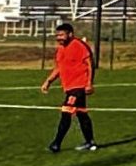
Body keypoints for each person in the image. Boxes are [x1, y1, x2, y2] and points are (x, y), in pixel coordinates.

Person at [40, 21, 97, 152]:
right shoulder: (60, 49)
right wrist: (48, 81)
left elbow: (90, 64)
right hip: (69, 87)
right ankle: (90, 142)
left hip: (78, 86)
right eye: (57, 35)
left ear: (70, 34)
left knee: (66, 113)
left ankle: (56, 144)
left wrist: (89, 83)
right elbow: (59, 67)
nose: (59, 38)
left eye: (61, 35)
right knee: (81, 114)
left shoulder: (79, 45)